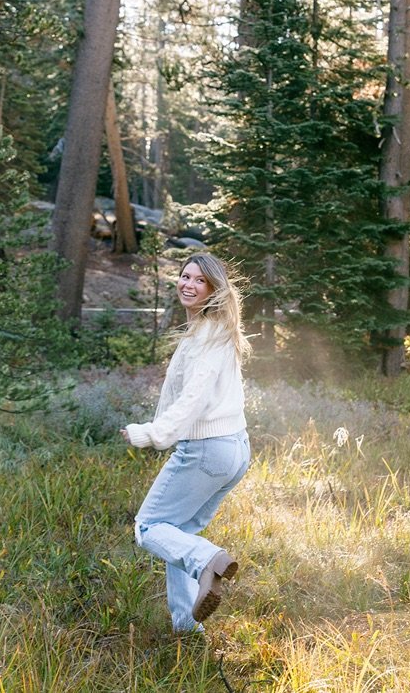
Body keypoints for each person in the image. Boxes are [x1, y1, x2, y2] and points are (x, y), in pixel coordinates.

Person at [123, 252, 252, 633]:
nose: (188, 284)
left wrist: (153, 433)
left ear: (213, 289)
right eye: (184, 276)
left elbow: (192, 399)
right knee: (177, 534)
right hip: (234, 449)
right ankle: (185, 624)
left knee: (148, 527)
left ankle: (207, 560)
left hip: (207, 450)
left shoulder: (207, 337)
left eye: (199, 280)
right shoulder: (215, 331)